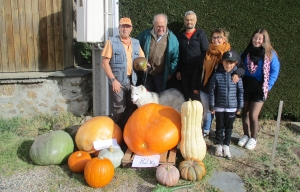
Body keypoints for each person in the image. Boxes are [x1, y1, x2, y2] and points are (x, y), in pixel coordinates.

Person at [193, 28, 245, 138]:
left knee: (221, 113)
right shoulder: (206, 53)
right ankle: (206, 130)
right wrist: (196, 85)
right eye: (214, 37)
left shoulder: (230, 53)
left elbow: (241, 67)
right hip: (206, 88)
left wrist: (238, 74)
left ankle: (220, 132)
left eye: (219, 37)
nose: (216, 39)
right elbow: (198, 69)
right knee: (207, 111)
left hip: (223, 89)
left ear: (224, 39)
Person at [238, 29, 280, 150]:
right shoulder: (246, 53)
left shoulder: (270, 54)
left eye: (259, 39)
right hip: (246, 85)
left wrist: (268, 86)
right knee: (244, 112)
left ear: (264, 40)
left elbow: (274, 71)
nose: (257, 41)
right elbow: (239, 65)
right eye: (255, 38)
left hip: (259, 88)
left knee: (253, 114)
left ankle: (253, 138)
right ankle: (245, 135)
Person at [101, 17, 145, 129]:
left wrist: (145, 66)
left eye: (127, 26)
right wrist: (113, 81)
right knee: (119, 107)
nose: (125, 29)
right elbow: (105, 63)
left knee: (131, 106)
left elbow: (142, 59)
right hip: (118, 82)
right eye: (123, 26)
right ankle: (117, 132)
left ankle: (128, 131)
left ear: (131, 29)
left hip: (132, 81)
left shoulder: (136, 42)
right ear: (119, 28)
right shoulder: (111, 42)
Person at [209, 50, 244, 159]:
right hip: (219, 107)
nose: (228, 65)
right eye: (226, 63)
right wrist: (212, 105)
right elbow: (212, 91)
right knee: (219, 127)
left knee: (229, 128)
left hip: (231, 107)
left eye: (231, 63)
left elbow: (240, 91)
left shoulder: (237, 77)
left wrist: (240, 106)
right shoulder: (216, 76)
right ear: (222, 62)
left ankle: (226, 146)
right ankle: (219, 145)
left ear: (235, 64)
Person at [137, 13, 179, 93]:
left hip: (161, 75)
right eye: (158, 26)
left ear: (166, 25)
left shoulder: (172, 39)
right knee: (146, 97)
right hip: (146, 74)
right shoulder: (145, 35)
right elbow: (136, 46)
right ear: (154, 25)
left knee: (160, 97)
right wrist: (141, 63)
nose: (160, 28)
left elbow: (175, 58)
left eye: (163, 26)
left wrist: (170, 73)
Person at [177, 10, 209, 101]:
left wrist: (203, 69)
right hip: (184, 71)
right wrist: (178, 70)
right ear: (184, 21)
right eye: (187, 20)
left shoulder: (200, 34)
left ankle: (197, 114)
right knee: (186, 95)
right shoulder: (180, 36)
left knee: (196, 95)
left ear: (196, 21)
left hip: (197, 71)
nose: (189, 22)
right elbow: (178, 54)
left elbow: (205, 53)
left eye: (191, 20)